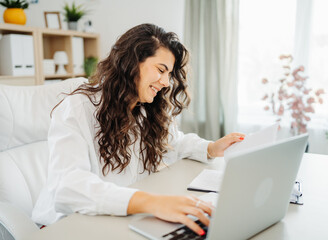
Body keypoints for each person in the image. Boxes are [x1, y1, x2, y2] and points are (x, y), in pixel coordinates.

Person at [32, 23, 245, 236]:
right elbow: (68, 187)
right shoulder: (78, 108)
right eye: (161, 70)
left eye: (169, 74)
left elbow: (173, 142)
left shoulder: (144, 109)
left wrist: (211, 148)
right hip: (66, 225)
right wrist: (151, 202)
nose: (165, 82)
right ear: (131, 62)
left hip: (115, 219)